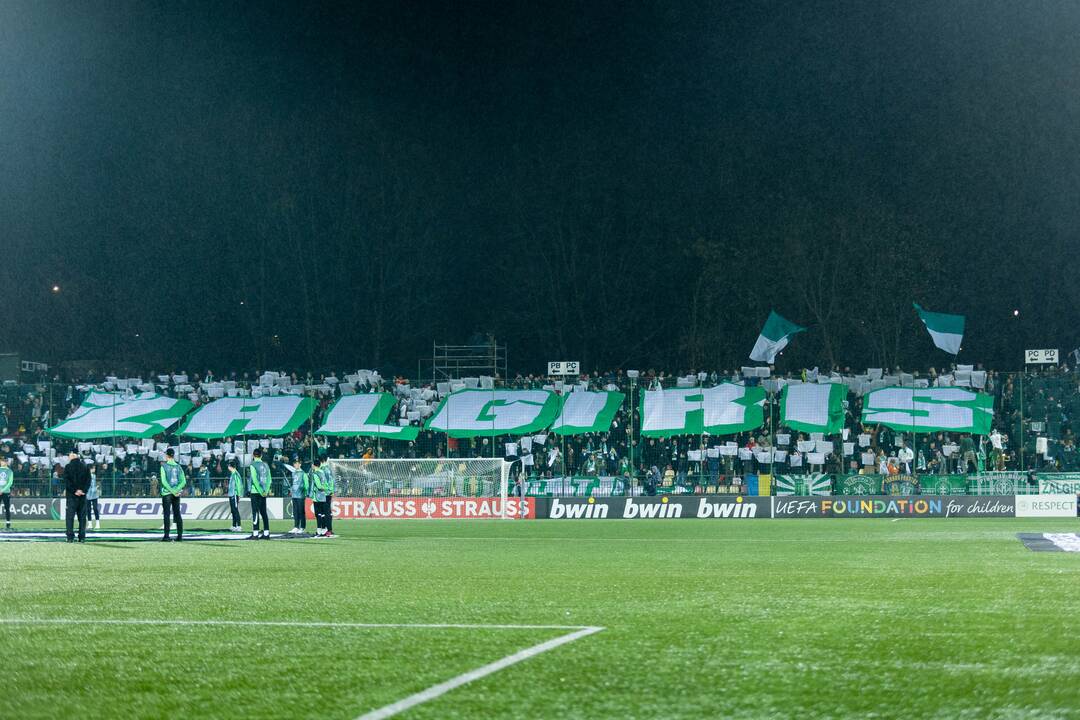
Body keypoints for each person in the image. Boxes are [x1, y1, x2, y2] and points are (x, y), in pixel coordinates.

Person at [63, 451, 91, 543]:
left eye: (69, 455)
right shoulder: (85, 466)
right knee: (82, 517)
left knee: (70, 517)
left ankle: (70, 537)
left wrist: (75, 490)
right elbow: (88, 481)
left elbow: (67, 482)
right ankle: (82, 537)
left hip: (72, 496)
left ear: (72, 456)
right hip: (82, 496)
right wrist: (83, 490)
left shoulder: (68, 467)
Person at [159, 448, 186, 542]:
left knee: (166, 514)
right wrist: (176, 490)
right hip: (176, 493)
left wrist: (171, 491)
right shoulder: (179, 467)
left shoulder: (163, 466)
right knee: (177, 513)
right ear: (173, 455)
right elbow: (183, 481)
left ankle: (166, 536)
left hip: (167, 493)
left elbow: (163, 481)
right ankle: (180, 536)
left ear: (167, 455)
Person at [247, 448, 272, 539]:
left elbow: (254, 479)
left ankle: (255, 533)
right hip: (264, 492)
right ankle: (266, 533)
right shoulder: (266, 465)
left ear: (253, 456)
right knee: (264, 512)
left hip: (255, 492)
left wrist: (260, 491)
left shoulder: (252, 465)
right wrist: (266, 491)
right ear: (261, 455)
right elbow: (269, 479)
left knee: (255, 513)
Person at [285, 457, 309, 535]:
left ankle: (302, 527)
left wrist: (304, 492)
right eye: (294, 463)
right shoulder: (293, 473)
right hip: (294, 495)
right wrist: (291, 489)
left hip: (301, 495)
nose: (295, 465)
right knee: (295, 512)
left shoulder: (303, 473)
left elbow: (306, 485)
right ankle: (296, 526)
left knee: (301, 512)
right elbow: (294, 483)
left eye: (297, 463)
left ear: (300, 464)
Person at [226, 459, 244, 531]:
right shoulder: (233, 474)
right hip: (231, 494)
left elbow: (239, 485)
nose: (228, 467)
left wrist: (239, 495)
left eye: (228, 466)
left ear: (231, 466)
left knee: (235, 510)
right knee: (233, 510)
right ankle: (234, 525)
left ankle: (239, 525)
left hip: (234, 494)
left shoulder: (236, 474)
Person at [86, 466, 101, 530]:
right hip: (87, 494)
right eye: (93, 468)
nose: (94, 469)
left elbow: (97, 483)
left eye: (95, 468)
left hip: (94, 494)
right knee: (88, 509)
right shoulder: (86, 476)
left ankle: (97, 523)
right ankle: (90, 524)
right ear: (90, 469)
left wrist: (97, 488)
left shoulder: (95, 476)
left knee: (95, 508)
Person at [0, 456, 13, 530]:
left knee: (7, 508)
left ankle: (8, 522)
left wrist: (2, 490)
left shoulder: (10, 471)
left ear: (6, 462)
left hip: (6, 492)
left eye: (4, 461)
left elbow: (10, 482)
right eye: (2, 461)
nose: (2, 462)